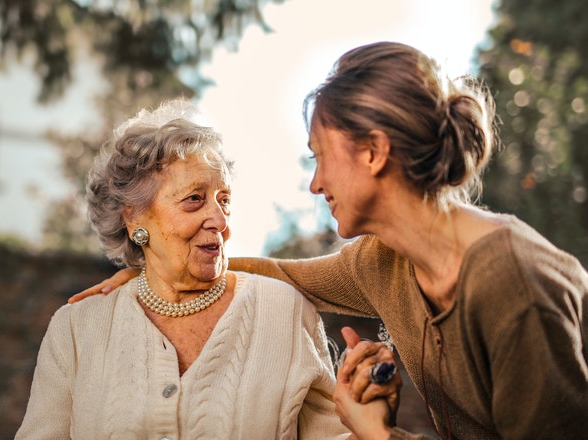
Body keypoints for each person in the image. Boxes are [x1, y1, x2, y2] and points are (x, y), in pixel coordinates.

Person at [69, 42, 588, 439]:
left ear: (374, 153)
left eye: (319, 155)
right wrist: (156, 267)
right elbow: (280, 273)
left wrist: (376, 435)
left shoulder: (512, 285)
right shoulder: (383, 261)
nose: (315, 184)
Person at [15, 99, 365, 439]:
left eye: (224, 200)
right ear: (135, 217)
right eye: (194, 199)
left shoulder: (285, 311)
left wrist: (368, 424)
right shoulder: (76, 330)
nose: (219, 219)